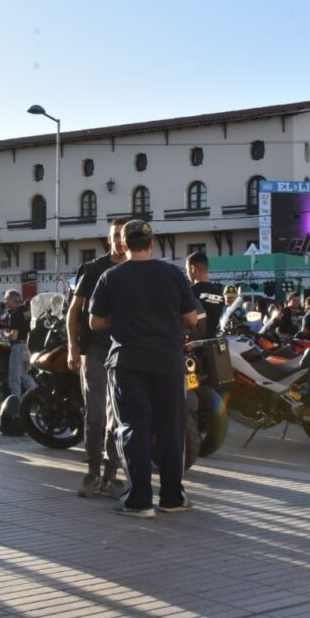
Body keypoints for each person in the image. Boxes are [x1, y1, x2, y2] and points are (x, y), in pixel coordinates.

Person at [89, 220, 197, 518]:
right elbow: (192, 318)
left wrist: (122, 317)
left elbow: (95, 322)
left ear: (124, 244)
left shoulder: (111, 276)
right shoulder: (173, 273)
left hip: (128, 361)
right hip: (168, 361)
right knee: (171, 427)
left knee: (132, 427)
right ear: (152, 243)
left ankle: (139, 501)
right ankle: (173, 498)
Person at [68, 219, 125, 498]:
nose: (119, 240)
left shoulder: (136, 270)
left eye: (123, 235)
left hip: (125, 350)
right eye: (115, 235)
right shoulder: (92, 269)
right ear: (108, 238)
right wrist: (72, 347)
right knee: (95, 414)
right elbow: (73, 311)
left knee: (118, 416)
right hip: (95, 349)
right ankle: (92, 472)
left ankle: (111, 475)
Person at [4, 290, 36, 400]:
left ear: (12, 300)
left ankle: (16, 404)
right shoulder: (28, 311)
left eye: (6, 299)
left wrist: (5, 334)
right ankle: (41, 397)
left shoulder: (15, 314)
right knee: (26, 377)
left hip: (18, 348)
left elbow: (14, 336)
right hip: (29, 347)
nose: (5, 302)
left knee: (14, 379)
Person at [185, 252, 224, 339]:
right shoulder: (219, 293)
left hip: (193, 343)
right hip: (213, 342)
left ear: (192, 268)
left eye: (187, 270)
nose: (187, 274)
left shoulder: (189, 292)